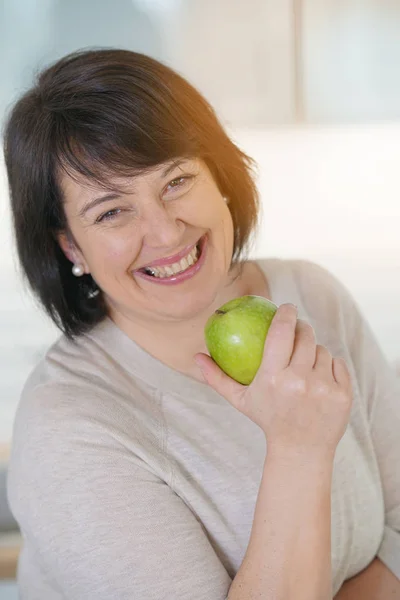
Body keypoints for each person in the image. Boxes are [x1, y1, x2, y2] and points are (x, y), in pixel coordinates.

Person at [3, 48, 399, 600]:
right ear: (72, 245)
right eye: (112, 212)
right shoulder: (68, 430)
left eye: (176, 181)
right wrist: (299, 449)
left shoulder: (312, 296)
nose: (166, 233)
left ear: (220, 175)